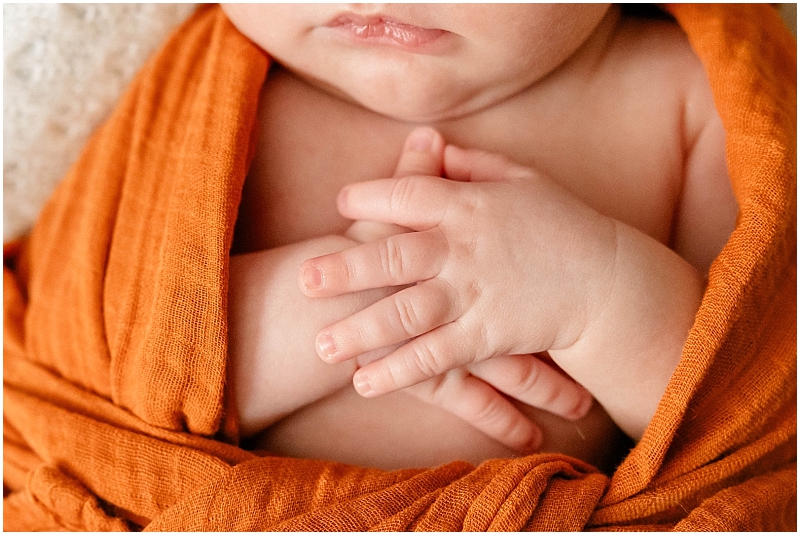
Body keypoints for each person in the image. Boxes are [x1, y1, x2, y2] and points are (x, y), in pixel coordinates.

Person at [221, 3, 737, 471]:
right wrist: (352, 307)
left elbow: (746, 427)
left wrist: (596, 296)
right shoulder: (213, 103)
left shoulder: (696, 95)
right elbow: (152, 376)